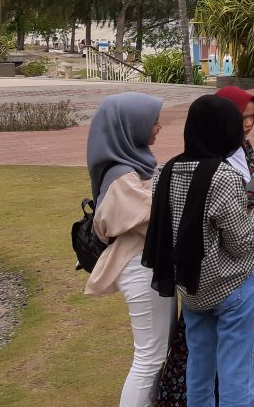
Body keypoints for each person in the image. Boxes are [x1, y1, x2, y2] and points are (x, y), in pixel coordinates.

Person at [143, 95, 254, 407]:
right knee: (236, 376)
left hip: (191, 286)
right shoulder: (224, 176)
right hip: (232, 286)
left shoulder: (164, 172)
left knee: (200, 370)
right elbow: (242, 243)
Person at [84, 92, 172, 407]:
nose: (159, 126)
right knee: (149, 356)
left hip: (149, 266)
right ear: (130, 125)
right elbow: (157, 219)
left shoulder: (135, 164)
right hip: (140, 268)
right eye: (153, 120)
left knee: (156, 354)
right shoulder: (120, 176)